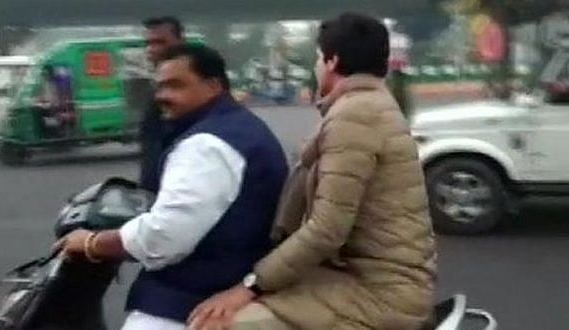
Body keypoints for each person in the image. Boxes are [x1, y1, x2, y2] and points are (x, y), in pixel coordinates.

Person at [188, 13, 437, 330]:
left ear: (331, 62)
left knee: (215, 325)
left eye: (318, 58)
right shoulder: (372, 104)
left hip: (379, 293)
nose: (316, 66)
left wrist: (250, 286)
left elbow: (326, 230)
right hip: (373, 278)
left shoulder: (354, 116)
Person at [55, 44, 289, 330]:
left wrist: (92, 243)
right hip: (228, 282)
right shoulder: (239, 127)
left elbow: (166, 236)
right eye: (160, 87)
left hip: (190, 302)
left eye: (175, 86)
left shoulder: (206, 145)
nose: (162, 96)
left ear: (213, 85)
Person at [139, 16, 185, 194]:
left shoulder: (190, 87)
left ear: (180, 42)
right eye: (149, 43)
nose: (152, 49)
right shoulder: (158, 84)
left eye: (160, 42)